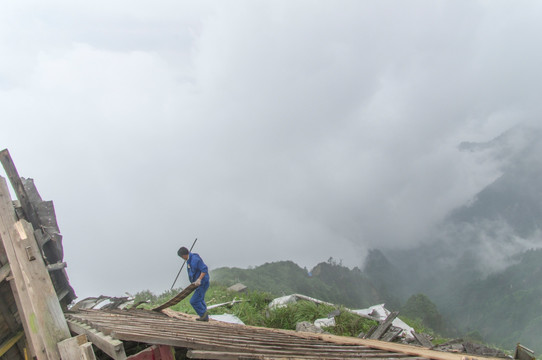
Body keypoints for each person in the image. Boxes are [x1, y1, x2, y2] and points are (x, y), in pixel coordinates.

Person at [177, 246, 210, 321]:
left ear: (184, 255)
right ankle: (204, 316)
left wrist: (199, 279)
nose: (183, 259)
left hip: (202, 283)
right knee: (200, 299)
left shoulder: (195, 259)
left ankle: (203, 315)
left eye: (182, 257)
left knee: (194, 301)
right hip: (197, 284)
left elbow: (204, 269)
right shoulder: (189, 260)